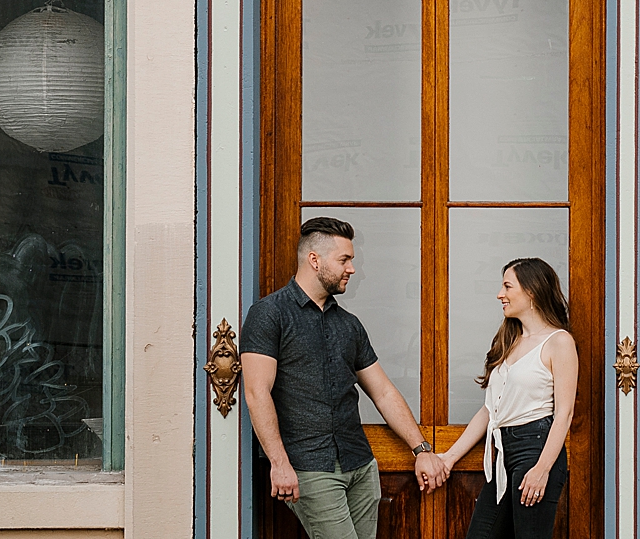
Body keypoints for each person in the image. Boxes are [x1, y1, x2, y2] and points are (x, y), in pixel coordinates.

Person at [241, 218, 450, 539]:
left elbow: (383, 392)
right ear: (315, 260)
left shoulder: (349, 325)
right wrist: (279, 463)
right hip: (310, 467)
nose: (352, 269)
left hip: (360, 465)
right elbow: (257, 392)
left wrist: (421, 449)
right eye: (344, 259)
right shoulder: (270, 314)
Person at [437, 258, 577, 539]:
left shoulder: (559, 342)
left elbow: (564, 414)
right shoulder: (509, 340)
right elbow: (491, 410)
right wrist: (449, 458)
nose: (500, 294)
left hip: (535, 448)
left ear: (532, 291)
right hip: (502, 454)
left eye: (507, 286)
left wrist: (542, 469)